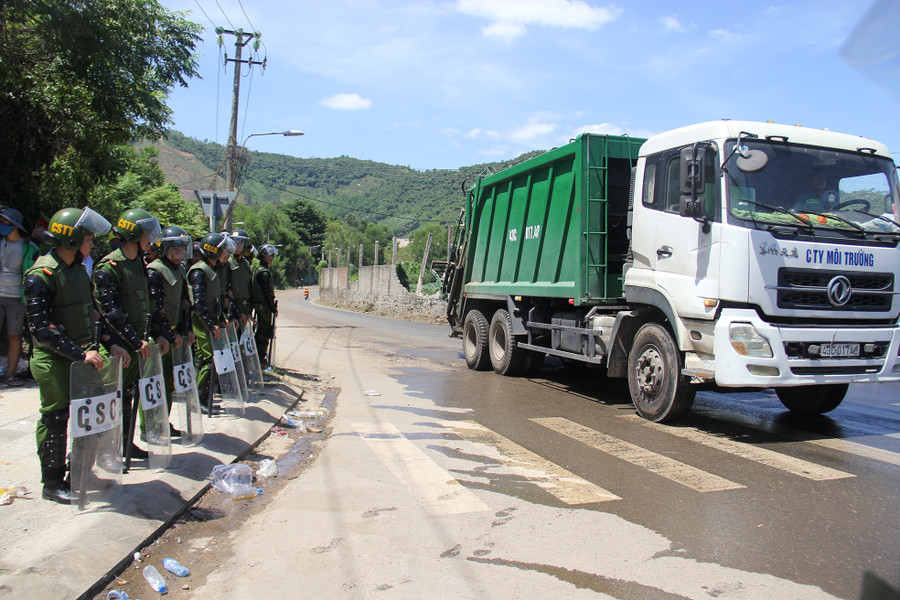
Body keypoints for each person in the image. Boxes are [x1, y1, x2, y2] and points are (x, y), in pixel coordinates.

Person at [24, 207, 128, 503]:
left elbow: (93, 314)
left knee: (95, 418)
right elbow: (41, 329)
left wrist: (110, 343)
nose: (92, 245)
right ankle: (53, 483)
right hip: (54, 360)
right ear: (73, 240)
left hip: (84, 357)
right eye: (88, 239)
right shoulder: (41, 275)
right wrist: (80, 355)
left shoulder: (79, 270)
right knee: (56, 419)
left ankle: (80, 470)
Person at [93, 208, 167, 461]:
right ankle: (105, 450)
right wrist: (133, 342)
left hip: (138, 346)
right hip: (119, 346)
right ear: (133, 233)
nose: (150, 238)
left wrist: (158, 334)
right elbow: (109, 313)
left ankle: (126, 444)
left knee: (128, 397)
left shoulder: (139, 264)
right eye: (146, 232)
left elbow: (149, 305)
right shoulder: (110, 266)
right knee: (111, 399)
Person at [147, 225, 194, 436]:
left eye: (183, 248)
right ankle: (149, 426)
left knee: (168, 384)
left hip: (174, 334)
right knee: (153, 383)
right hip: (157, 335)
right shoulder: (155, 271)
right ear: (164, 248)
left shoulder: (180, 269)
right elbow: (156, 308)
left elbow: (185, 302)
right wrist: (166, 333)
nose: (180, 252)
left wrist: (187, 330)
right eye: (175, 248)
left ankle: (163, 422)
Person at [189, 232, 231, 415]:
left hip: (211, 321)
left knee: (212, 361)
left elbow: (215, 300)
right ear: (213, 251)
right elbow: (198, 305)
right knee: (206, 361)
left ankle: (207, 398)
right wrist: (209, 324)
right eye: (223, 251)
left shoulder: (212, 269)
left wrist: (220, 319)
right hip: (201, 323)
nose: (226, 254)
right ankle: (198, 400)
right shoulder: (199, 271)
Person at [0, 208, 39, 386]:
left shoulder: (29, 248)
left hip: (17, 297)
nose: (2, 225)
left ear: (15, 225)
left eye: (6, 222)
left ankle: (10, 375)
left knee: (14, 336)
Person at [252, 244, 279, 366]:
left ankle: (260, 355)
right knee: (264, 331)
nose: (271, 258)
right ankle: (260, 356)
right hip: (263, 306)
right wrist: (273, 308)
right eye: (269, 256)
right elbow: (267, 292)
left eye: (272, 255)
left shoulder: (260, 270)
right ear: (263, 257)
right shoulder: (264, 273)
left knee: (264, 330)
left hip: (261, 305)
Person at [227, 229, 253, 323]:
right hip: (232, 304)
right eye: (234, 242)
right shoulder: (228, 262)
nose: (237, 245)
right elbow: (227, 288)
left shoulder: (245, 263)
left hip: (244, 304)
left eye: (240, 243)